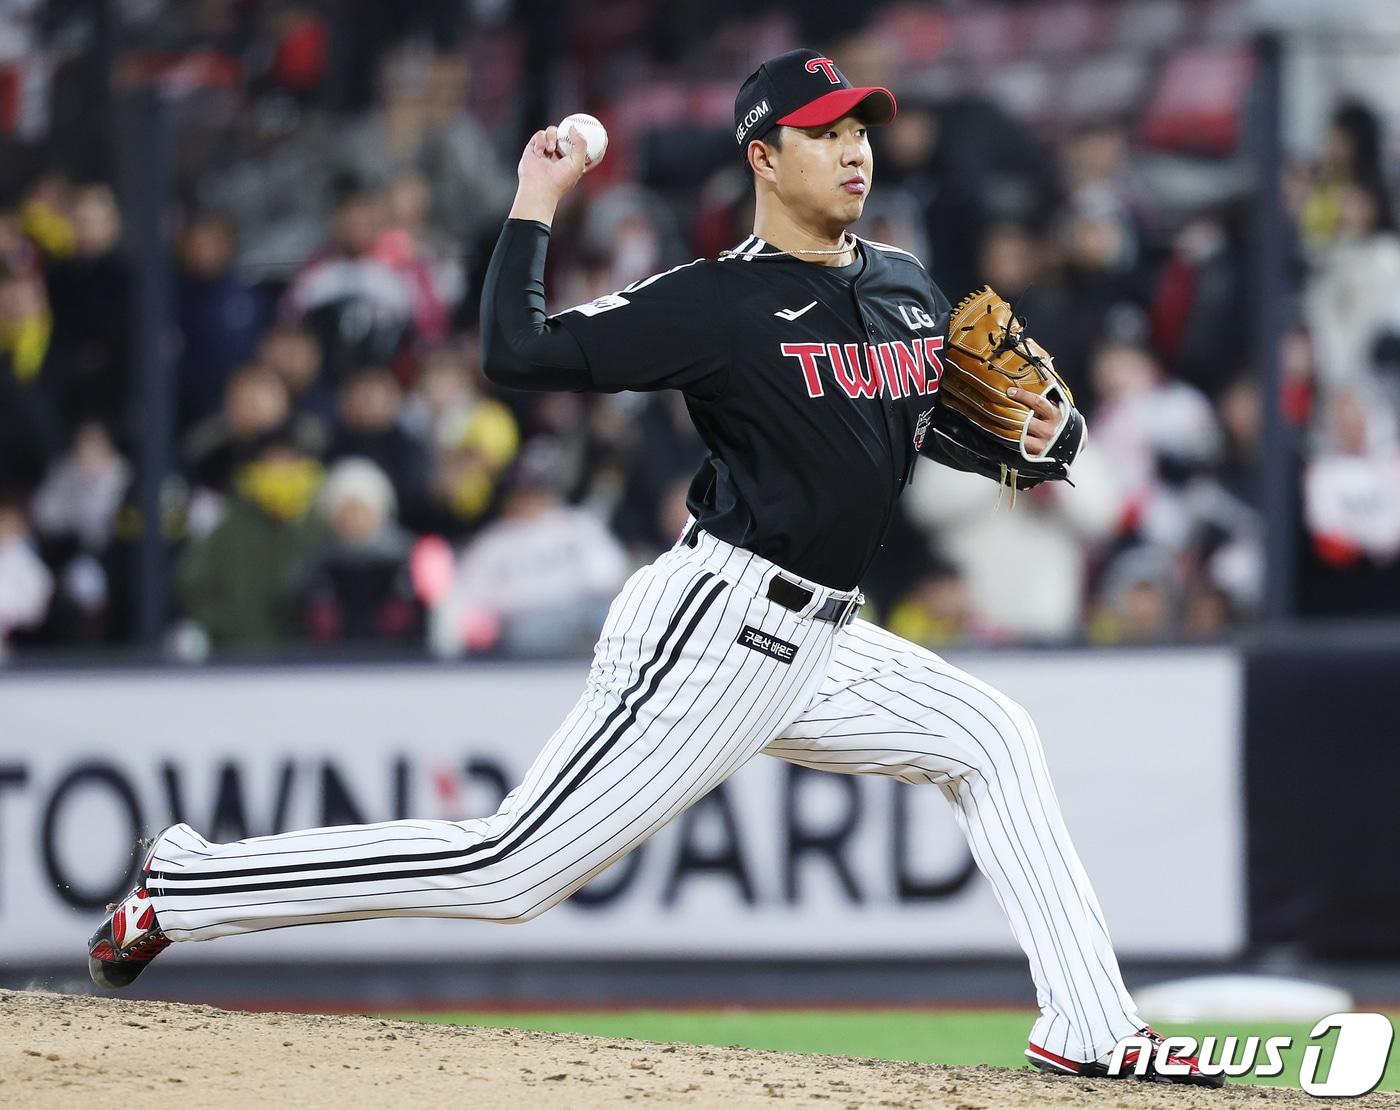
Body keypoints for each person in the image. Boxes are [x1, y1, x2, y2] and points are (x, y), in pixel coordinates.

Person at [86, 50, 1221, 1089]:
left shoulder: (909, 286)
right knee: (508, 870)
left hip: (825, 638)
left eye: (862, 128)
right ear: (764, 158)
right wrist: (536, 199)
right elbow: (514, 352)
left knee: (994, 740)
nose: (856, 149)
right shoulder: (713, 303)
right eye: (826, 132)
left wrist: (1028, 443)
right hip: (718, 624)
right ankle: (185, 884)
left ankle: (1088, 1022)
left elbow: (912, 428)